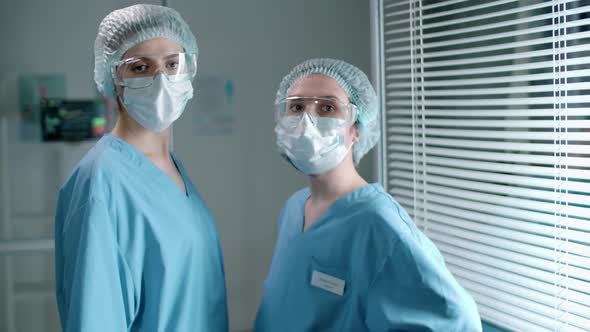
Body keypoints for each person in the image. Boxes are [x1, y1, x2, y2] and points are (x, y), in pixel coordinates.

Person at [254, 58, 482, 331]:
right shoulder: (295, 208)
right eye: (296, 106)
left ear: (356, 130)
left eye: (327, 108)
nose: (307, 120)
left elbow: (454, 317)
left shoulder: (378, 224)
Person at [54, 5, 228, 331]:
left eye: (172, 64)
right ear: (112, 78)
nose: (161, 80)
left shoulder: (171, 167)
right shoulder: (101, 183)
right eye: (140, 67)